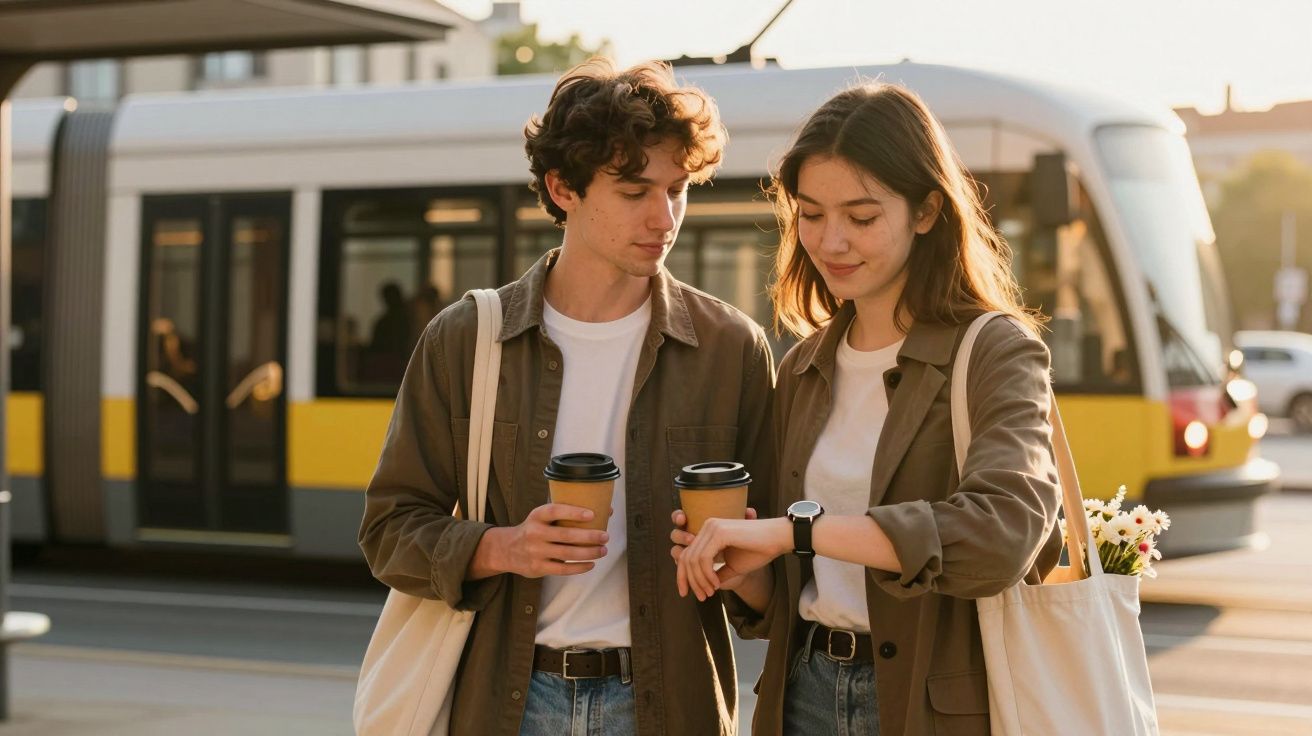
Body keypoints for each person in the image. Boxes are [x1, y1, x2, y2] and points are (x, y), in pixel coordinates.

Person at [359, 58, 773, 736]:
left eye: (677, 189)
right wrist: (505, 547)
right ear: (563, 188)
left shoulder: (731, 349)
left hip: (669, 706)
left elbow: (775, 587)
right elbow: (389, 530)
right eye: (636, 190)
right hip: (510, 704)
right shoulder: (469, 338)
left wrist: (741, 564)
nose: (663, 216)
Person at [671, 82, 1064, 735]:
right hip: (802, 696)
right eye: (812, 214)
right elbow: (790, 598)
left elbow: (1004, 535)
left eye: (861, 216)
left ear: (927, 211)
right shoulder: (803, 367)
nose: (831, 242)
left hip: (930, 708)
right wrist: (744, 571)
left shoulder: (994, 350)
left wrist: (796, 530)